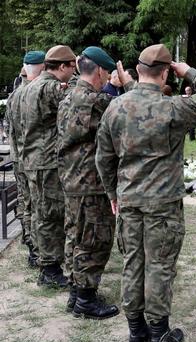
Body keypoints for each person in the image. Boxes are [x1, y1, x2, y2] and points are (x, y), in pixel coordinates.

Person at [96, 44, 196, 342]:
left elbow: (103, 158)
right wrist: (189, 72)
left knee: (132, 264)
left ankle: (135, 334)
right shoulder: (173, 108)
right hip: (163, 206)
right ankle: (158, 334)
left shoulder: (115, 108)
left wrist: (113, 194)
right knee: (159, 266)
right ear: (165, 72)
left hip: (129, 202)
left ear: (138, 71)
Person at [57, 47, 134, 319]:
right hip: (91, 183)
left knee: (76, 237)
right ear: (101, 71)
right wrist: (127, 83)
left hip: (71, 180)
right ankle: (86, 302)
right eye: (107, 73)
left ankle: (76, 294)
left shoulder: (68, 96)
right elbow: (133, 113)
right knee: (94, 240)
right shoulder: (95, 101)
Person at [20, 45, 77, 288]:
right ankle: (50, 269)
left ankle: (47, 264)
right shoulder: (49, 87)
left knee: (41, 212)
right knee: (49, 215)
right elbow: (77, 99)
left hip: (34, 159)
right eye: (73, 67)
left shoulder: (29, 87)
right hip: (46, 161)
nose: (74, 72)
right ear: (62, 66)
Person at [5, 51, 45, 268]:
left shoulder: (14, 96)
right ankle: (36, 249)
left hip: (19, 157)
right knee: (35, 205)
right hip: (32, 158)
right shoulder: (31, 94)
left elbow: (9, 128)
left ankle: (31, 246)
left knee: (25, 202)